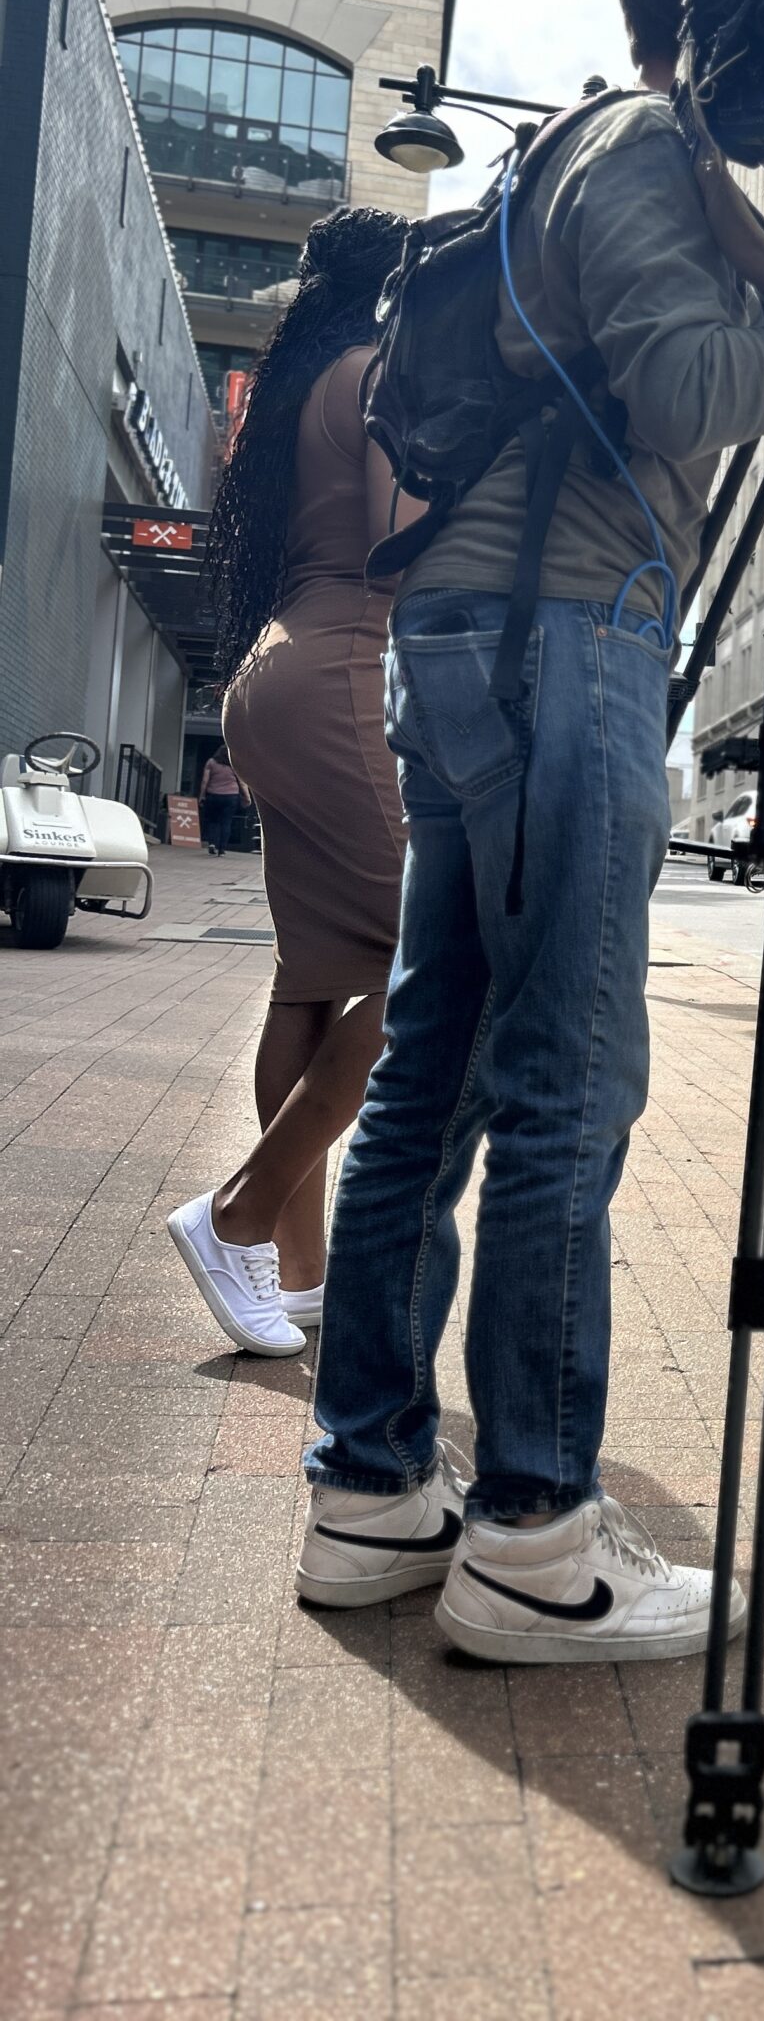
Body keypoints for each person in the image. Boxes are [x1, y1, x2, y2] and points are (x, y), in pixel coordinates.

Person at [295, 0, 764, 1662]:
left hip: (481, 637)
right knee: (565, 1082)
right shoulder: (644, 143)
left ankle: (371, 1491)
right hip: (561, 634)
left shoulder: (576, 147)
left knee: (434, 1077)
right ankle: (534, 1540)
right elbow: (681, 390)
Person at [167, 208, 415, 1360]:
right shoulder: (382, 375)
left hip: (274, 677)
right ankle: (238, 1214)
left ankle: (300, 1272)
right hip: (341, 676)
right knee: (436, 959)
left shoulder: (305, 382)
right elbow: (401, 538)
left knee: (315, 975)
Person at [196, 745, 245, 856]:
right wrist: (246, 797)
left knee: (213, 821)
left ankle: (212, 843)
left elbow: (205, 781)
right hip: (231, 796)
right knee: (226, 822)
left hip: (214, 795)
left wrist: (202, 795)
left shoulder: (211, 762)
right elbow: (241, 782)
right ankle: (222, 850)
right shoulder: (234, 764)